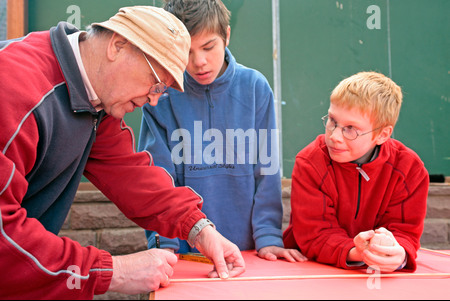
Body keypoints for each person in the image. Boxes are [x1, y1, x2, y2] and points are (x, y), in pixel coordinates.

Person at [0, 6, 245, 300]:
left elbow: (131, 175)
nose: (154, 101)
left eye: (162, 90)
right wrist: (114, 271)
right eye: (156, 83)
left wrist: (199, 229)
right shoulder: (13, 91)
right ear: (118, 45)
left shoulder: (95, 101)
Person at [139, 0, 305, 263]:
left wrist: (269, 238)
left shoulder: (255, 88)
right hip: (184, 253)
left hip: (249, 252)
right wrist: (165, 245)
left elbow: (267, 170)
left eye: (208, 47)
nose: (199, 62)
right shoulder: (161, 97)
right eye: (187, 51)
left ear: (226, 35)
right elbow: (157, 176)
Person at [283, 71, 429, 272]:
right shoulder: (310, 162)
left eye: (350, 128)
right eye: (332, 121)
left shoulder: (410, 169)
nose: (335, 136)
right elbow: (315, 234)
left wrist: (399, 253)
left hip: (377, 277)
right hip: (310, 269)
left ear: (382, 134)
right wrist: (356, 252)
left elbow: (404, 232)